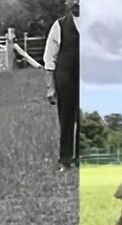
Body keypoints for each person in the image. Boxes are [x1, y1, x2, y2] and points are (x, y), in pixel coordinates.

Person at [44, 0, 80, 170]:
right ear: (67, 3)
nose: (77, 2)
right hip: (65, 77)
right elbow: (49, 58)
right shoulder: (59, 26)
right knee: (66, 119)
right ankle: (65, 160)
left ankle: (82, 158)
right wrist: (50, 87)